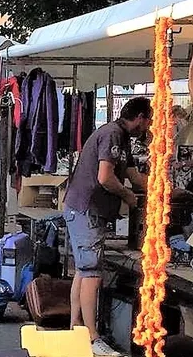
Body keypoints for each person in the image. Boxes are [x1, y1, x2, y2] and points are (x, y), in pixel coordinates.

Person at [63, 96, 151, 357]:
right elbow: (105, 177)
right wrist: (127, 196)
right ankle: (92, 337)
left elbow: (133, 175)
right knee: (92, 272)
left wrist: (161, 187)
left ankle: (75, 329)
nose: (148, 128)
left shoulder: (123, 138)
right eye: (148, 122)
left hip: (87, 210)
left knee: (83, 269)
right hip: (86, 209)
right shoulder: (112, 134)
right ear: (140, 118)